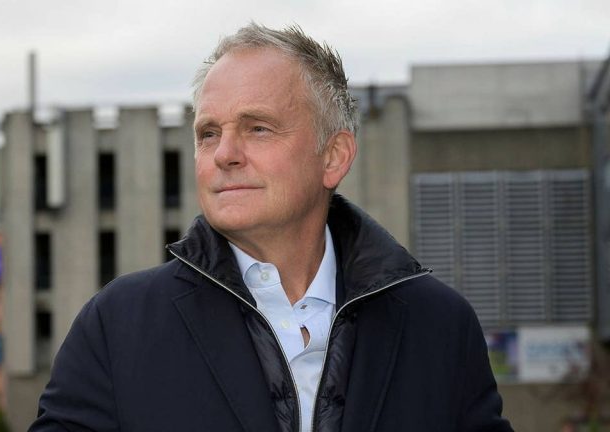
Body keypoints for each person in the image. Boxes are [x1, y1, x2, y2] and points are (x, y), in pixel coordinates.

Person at [30, 23, 514, 432]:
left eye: (257, 128)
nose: (224, 154)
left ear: (334, 157)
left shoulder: (440, 327)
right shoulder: (117, 326)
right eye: (209, 133)